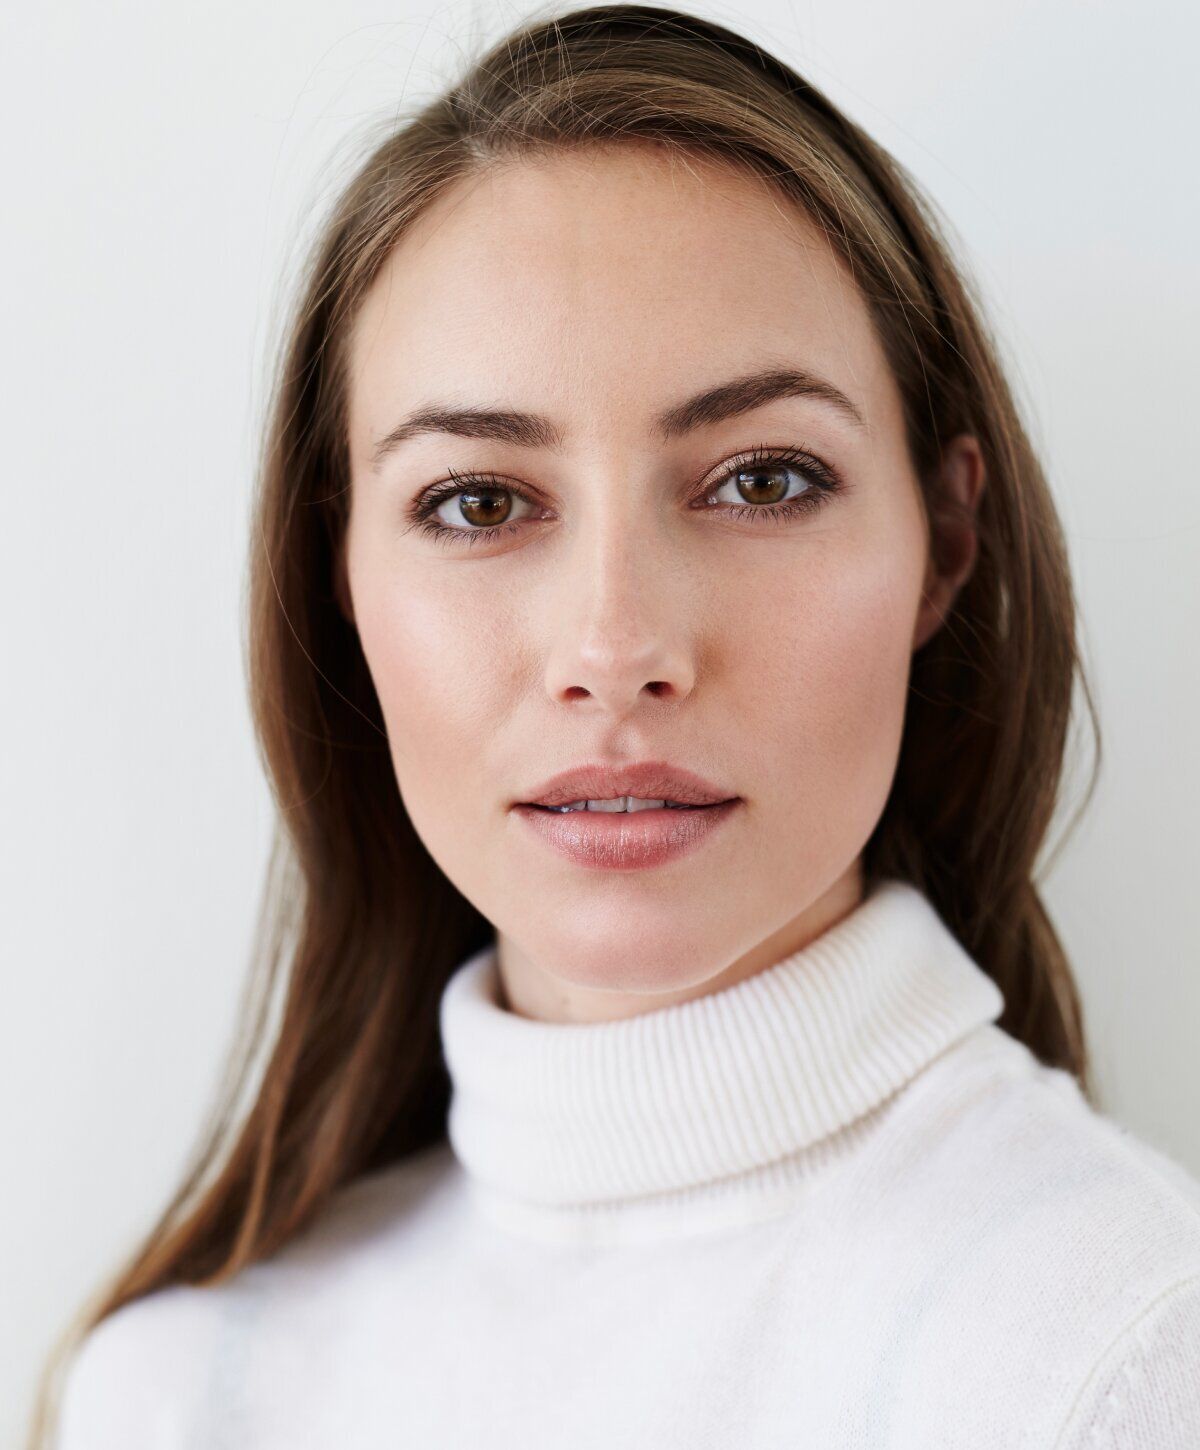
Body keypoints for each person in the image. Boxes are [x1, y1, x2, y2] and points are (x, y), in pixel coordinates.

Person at [32, 5, 1200, 1447]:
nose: (616, 649)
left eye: (763, 481)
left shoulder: (1124, 1355)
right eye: (478, 502)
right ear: (338, 578)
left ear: (946, 540)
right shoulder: (172, 1393)